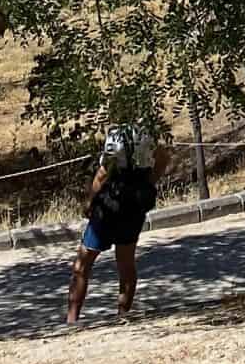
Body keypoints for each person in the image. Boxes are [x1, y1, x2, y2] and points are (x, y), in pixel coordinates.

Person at [65, 119, 170, 326]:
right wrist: (148, 182)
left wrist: (90, 200)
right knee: (126, 263)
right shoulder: (151, 131)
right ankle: (123, 315)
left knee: (83, 262)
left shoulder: (118, 134)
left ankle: (71, 320)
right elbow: (164, 158)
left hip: (110, 203)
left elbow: (104, 172)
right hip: (135, 203)